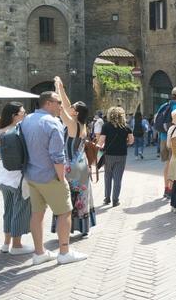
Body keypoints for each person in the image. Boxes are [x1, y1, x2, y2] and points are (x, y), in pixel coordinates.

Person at [21, 91, 87, 265]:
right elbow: (57, 156)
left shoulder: (26, 120)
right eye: (58, 102)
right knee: (64, 212)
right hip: (50, 176)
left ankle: (39, 252)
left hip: (32, 175)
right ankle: (64, 252)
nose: (61, 106)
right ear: (48, 103)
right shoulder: (52, 123)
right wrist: (62, 178)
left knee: (37, 214)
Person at [52, 77, 96, 237]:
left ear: (75, 112)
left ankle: (66, 228)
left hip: (71, 165)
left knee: (66, 196)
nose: (70, 107)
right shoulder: (82, 124)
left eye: (73, 107)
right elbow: (67, 105)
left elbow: (62, 107)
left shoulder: (71, 124)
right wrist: (62, 88)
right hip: (81, 163)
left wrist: (57, 90)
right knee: (82, 195)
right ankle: (84, 227)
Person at [0, 102, 34, 255]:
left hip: (4, 176)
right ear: (14, 115)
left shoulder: (0, 130)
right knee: (20, 209)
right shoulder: (19, 130)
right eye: (22, 113)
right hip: (18, 177)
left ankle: (6, 243)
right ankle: (17, 245)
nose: (24, 115)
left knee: (8, 210)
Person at [98, 106, 134, 207]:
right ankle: (115, 200)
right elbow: (131, 141)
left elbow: (101, 142)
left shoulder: (106, 126)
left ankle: (107, 198)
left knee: (107, 176)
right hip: (121, 155)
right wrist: (124, 142)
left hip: (109, 154)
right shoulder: (126, 127)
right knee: (118, 178)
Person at [159, 87, 176, 198]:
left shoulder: (164, 106)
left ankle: (166, 188)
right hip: (174, 138)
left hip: (163, 137)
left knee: (167, 164)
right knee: (173, 163)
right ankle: (172, 189)